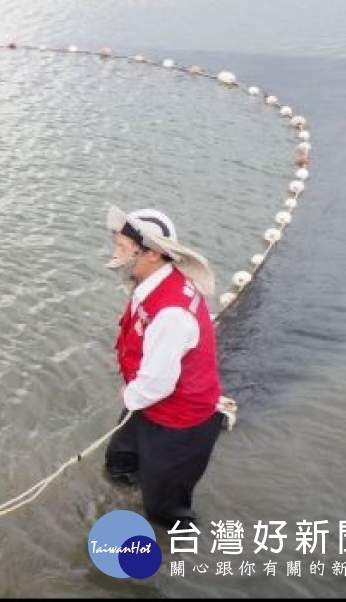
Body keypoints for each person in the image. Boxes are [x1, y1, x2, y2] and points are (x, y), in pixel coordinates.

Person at [101, 206, 225, 531]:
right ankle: (122, 501)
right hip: (148, 405)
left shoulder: (172, 313)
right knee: (119, 462)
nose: (116, 255)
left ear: (153, 254)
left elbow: (159, 383)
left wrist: (130, 393)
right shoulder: (152, 283)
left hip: (179, 422)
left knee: (164, 509)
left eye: (123, 249)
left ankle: (173, 553)